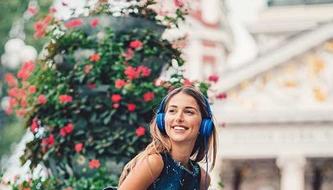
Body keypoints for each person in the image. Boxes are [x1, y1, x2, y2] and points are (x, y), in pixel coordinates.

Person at [118, 86, 217, 190]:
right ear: (162, 120)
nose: (179, 118)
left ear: (204, 124)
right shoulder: (154, 163)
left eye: (189, 112)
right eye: (172, 111)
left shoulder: (202, 178)